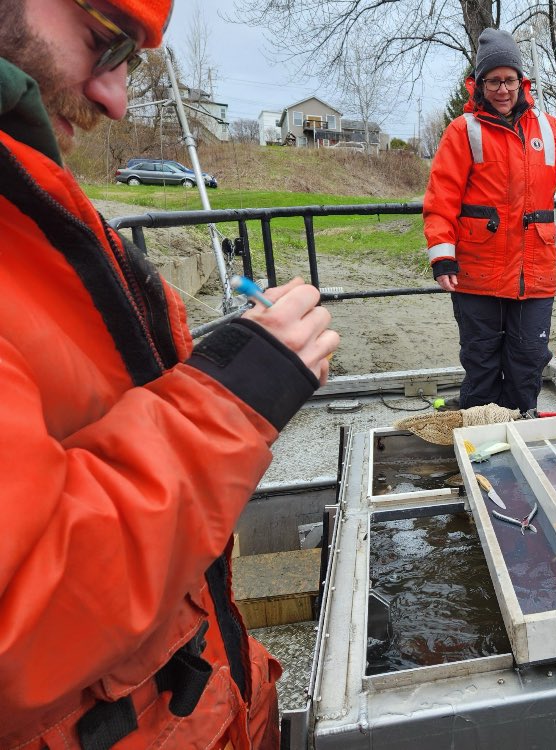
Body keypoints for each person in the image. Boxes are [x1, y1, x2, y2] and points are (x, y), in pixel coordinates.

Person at [0, 1, 340, 747]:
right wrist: (230, 400)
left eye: (130, 60)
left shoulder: (26, 196)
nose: (116, 98)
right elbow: (19, 623)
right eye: (101, 42)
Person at [423, 28, 556, 414]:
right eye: (493, 81)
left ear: (521, 82)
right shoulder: (462, 131)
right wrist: (442, 257)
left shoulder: (548, 129)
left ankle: (519, 434)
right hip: (477, 274)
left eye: (509, 80)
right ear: (479, 85)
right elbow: (440, 200)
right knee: (481, 360)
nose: (502, 89)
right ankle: (477, 440)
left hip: (534, 276)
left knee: (529, 358)